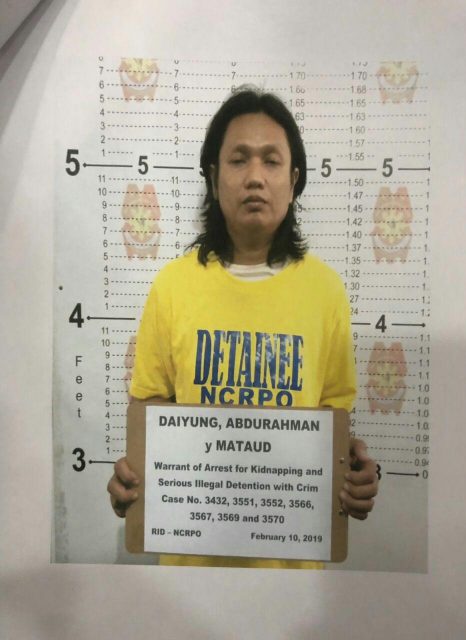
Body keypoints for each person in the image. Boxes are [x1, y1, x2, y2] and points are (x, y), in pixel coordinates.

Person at [108, 87, 379, 569]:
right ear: (214, 179)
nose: (255, 176)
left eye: (271, 161)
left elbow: (334, 419)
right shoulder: (172, 286)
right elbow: (148, 416)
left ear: (293, 181)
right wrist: (133, 484)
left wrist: (352, 471)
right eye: (238, 160)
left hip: (292, 576)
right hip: (190, 575)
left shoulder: (326, 291)